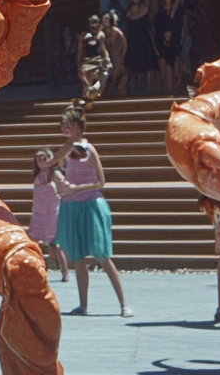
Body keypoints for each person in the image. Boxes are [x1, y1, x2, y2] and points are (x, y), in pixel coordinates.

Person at [54, 106, 131, 316]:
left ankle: (124, 304)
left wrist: (76, 188)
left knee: (102, 255)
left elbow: (101, 182)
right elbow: (57, 171)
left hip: (90, 205)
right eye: (63, 124)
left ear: (79, 127)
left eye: (69, 123)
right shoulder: (65, 150)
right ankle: (83, 304)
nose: (65, 127)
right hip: (70, 206)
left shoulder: (89, 149)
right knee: (77, 257)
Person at [28, 149, 70, 283]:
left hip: (52, 213)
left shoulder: (54, 173)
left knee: (56, 245)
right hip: (38, 213)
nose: (41, 160)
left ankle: (65, 273)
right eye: (38, 158)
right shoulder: (38, 174)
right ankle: (36, 270)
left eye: (43, 157)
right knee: (33, 243)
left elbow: (66, 186)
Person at [122, 0, 158, 95]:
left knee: (147, 65)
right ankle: (135, 90)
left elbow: (150, 26)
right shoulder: (128, 12)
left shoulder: (145, 9)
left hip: (144, 40)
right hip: (133, 42)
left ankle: (148, 89)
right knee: (134, 67)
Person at [153, 0, 185, 96]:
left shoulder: (178, 9)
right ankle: (166, 90)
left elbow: (181, 24)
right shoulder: (161, 13)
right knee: (163, 64)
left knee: (177, 62)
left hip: (175, 39)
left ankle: (177, 87)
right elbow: (158, 28)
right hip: (163, 41)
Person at [76, 15, 110, 104]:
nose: (94, 26)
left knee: (102, 81)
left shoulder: (100, 35)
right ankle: (86, 103)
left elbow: (103, 50)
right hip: (87, 64)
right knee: (86, 86)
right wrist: (79, 66)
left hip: (98, 64)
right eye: (92, 23)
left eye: (95, 23)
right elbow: (80, 52)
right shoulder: (84, 37)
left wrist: (107, 61)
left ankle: (96, 100)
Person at [101, 12, 128, 96]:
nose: (106, 20)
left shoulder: (117, 32)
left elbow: (125, 45)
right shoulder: (101, 32)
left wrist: (122, 58)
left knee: (120, 85)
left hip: (119, 60)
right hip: (107, 61)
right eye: (104, 18)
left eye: (107, 18)